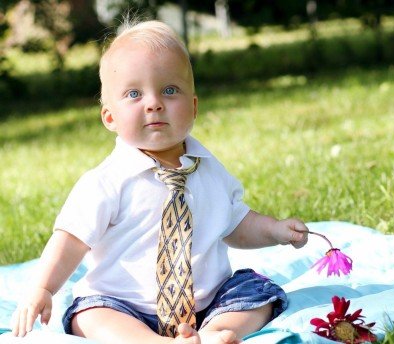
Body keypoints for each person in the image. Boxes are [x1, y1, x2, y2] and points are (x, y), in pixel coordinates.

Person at [11, 20, 309, 344]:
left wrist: (275, 230)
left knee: (257, 292)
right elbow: (70, 240)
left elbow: (236, 222)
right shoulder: (105, 182)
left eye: (169, 90)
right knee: (89, 315)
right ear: (109, 117)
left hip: (207, 302)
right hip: (124, 306)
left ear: (193, 107)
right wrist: (43, 287)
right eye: (134, 93)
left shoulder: (210, 171)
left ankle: (217, 332)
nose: (154, 103)